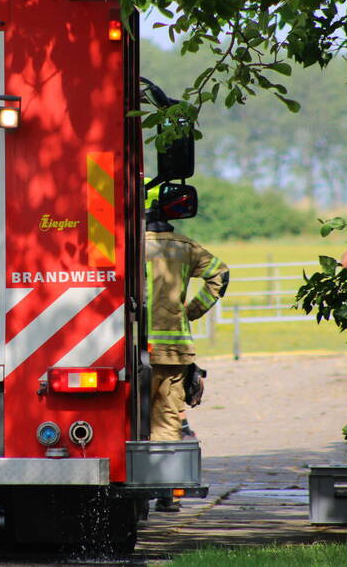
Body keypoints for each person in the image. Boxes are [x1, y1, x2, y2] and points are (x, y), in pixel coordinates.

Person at [145, 182, 228, 510]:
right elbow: (220, 274)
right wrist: (190, 312)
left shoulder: (126, 245)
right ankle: (165, 494)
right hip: (173, 352)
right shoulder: (185, 247)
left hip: (127, 348)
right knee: (167, 418)